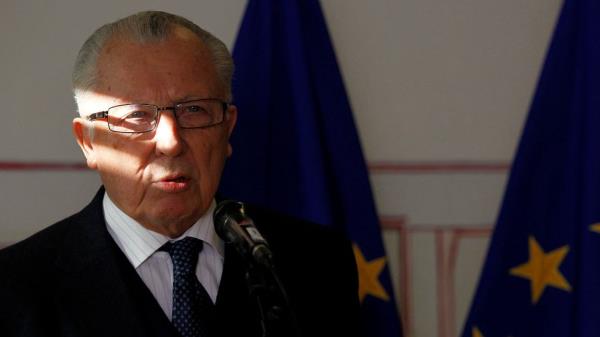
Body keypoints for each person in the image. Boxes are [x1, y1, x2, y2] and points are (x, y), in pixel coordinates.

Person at [0, 10, 361, 337]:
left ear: (227, 129)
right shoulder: (14, 287)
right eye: (136, 116)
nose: (171, 142)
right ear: (89, 142)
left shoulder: (318, 264)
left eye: (194, 110)